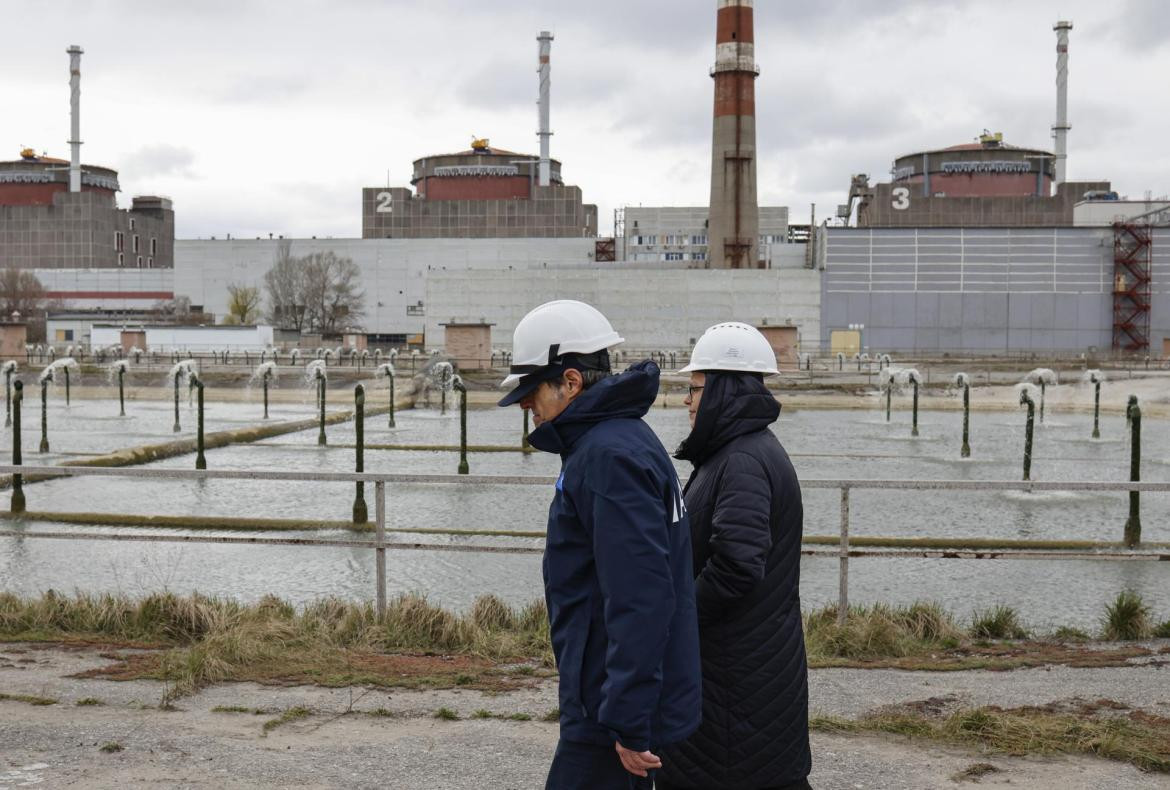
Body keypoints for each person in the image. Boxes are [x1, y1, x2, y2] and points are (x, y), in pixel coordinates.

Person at [497, 300, 702, 790]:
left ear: (570, 381)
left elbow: (641, 597)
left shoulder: (607, 457)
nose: (525, 405)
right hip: (608, 695)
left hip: (608, 709)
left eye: (531, 392)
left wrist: (628, 720)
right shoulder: (619, 439)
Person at [656, 322, 813, 790]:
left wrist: (678, 617)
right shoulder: (735, 452)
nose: (686, 399)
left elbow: (738, 564)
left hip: (736, 676)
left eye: (695, 388)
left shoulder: (742, 459)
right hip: (745, 669)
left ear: (725, 390)